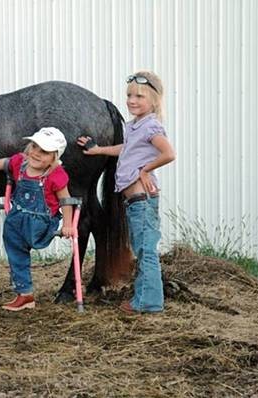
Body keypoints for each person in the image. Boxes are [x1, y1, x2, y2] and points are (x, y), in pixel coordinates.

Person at [77, 71, 175, 314]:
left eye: (139, 96)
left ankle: (148, 302)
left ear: (153, 100)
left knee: (145, 251)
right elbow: (126, 148)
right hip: (134, 201)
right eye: (129, 95)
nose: (132, 100)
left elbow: (168, 153)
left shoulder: (152, 125)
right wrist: (98, 150)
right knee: (142, 249)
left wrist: (145, 170)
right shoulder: (133, 126)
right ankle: (145, 298)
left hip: (142, 200)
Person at [0, 127, 74, 311]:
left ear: (54, 157)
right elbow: (4, 163)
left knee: (24, 246)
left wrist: (67, 224)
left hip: (41, 223)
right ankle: (25, 295)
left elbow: (65, 200)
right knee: (16, 254)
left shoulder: (55, 175)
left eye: (45, 152)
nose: (36, 154)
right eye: (34, 146)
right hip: (17, 218)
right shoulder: (20, 162)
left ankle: (25, 292)